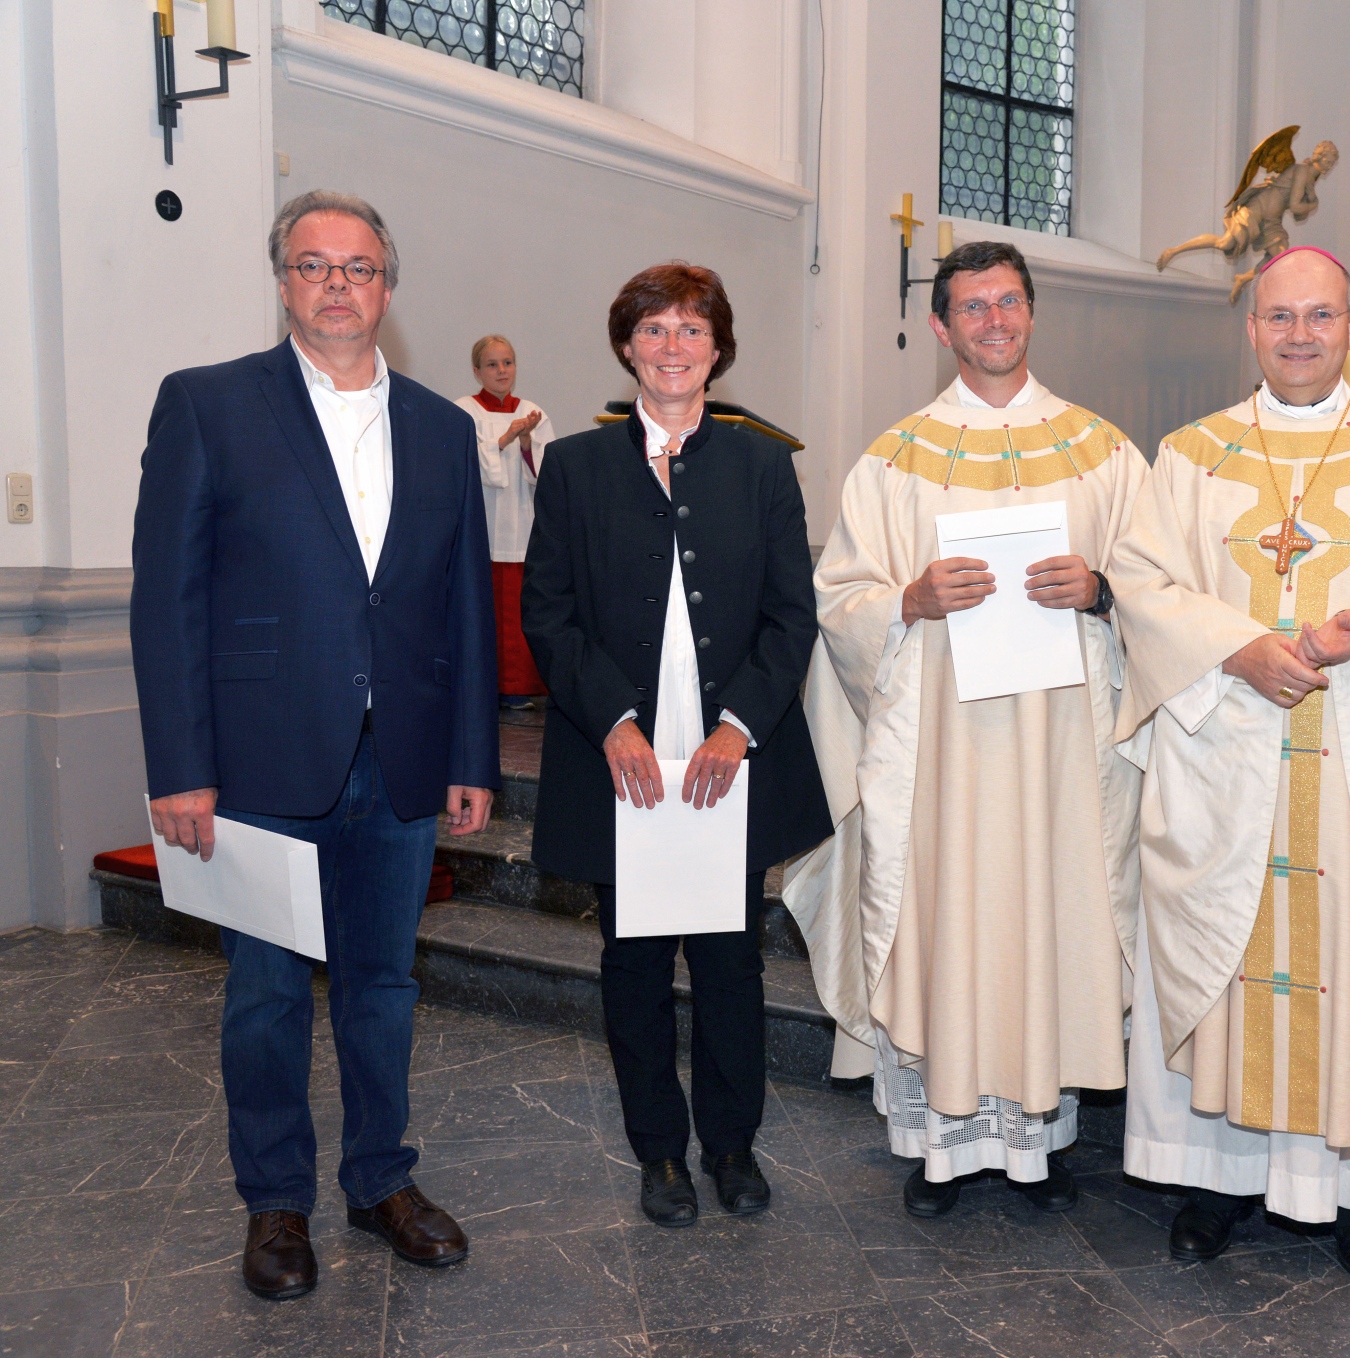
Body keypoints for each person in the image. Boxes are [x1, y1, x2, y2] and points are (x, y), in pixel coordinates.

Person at [132, 190, 499, 1300]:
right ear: (283, 281)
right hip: (260, 760)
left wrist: (471, 755)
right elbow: (170, 599)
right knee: (265, 992)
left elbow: (462, 605)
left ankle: (381, 1178)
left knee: (383, 983)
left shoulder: (442, 424)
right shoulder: (207, 405)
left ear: (388, 288)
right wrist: (180, 766)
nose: (338, 284)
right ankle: (276, 1201)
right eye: (314, 265)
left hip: (400, 762)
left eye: (359, 268)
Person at [1107, 246, 1350, 1279]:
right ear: (1250, 328)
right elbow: (1138, 580)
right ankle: (1214, 1177)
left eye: (1318, 317)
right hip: (1222, 765)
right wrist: (1233, 647)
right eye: (1278, 317)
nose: (1297, 336)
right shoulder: (1189, 456)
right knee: (1221, 962)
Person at [786, 240, 1145, 1218]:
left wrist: (1102, 589)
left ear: (1031, 312)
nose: (993, 320)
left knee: (1051, 912)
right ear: (941, 326)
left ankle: (1044, 1137)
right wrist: (906, 597)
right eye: (972, 307)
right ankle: (939, 1141)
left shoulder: (1105, 454)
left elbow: (1163, 591)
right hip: (939, 753)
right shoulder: (894, 459)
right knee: (948, 920)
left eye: (1008, 302)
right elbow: (842, 599)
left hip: (1062, 757)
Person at [521, 263, 831, 1226]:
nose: (672, 348)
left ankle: (733, 1146)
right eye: (653, 330)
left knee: (734, 962)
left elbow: (792, 616)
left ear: (717, 350)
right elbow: (549, 613)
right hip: (619, 760)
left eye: (692, 331)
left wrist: (739, 727)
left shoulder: (762, 464)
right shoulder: (574, 466)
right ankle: (659, 1152)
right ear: (626, 346)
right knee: (636, 962)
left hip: (729, 758)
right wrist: (612, 717)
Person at [456, 335, 555, 709]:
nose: (502, 371)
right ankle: (481, 685)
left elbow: (547, 473)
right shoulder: (462, 411)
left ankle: (517, 687)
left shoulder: (533, 412)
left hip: (521, 523)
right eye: (493, 364)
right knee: (482, 608)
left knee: (517, 609)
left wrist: (527, 441)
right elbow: (460, 463)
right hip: (479, 523)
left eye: (508, 362)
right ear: (477, 370)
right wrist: (504, 438)